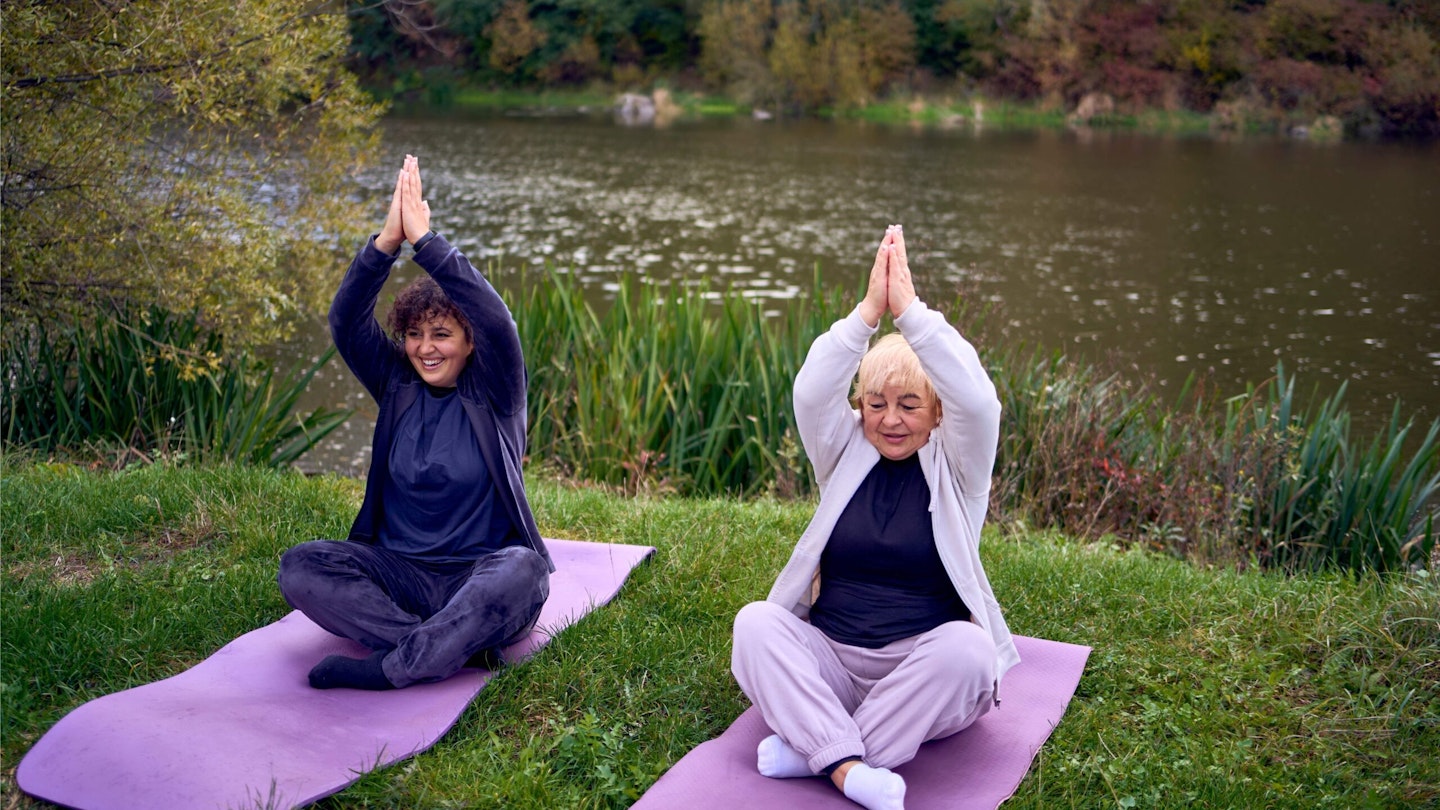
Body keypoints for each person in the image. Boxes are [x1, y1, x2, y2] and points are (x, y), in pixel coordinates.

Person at [730, 225, 1019, 810]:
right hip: (832, 659)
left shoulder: (959, 472)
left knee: (970, 652)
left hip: (920, 675)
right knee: (755, 624)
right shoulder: (842, 453)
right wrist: (867, 313)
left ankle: (822, 753)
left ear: (936, 412)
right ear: (859, 406)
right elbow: (812, 393)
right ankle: (849, 765)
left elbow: (980, 402)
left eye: (910, 405)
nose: (890, 419)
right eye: (876, 403)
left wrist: (909, 313)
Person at [277, 155, 552, 691]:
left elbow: (498, 318)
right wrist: (385, 243)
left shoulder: (496, 390)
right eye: (414, 334)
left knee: (524, 570)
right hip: (399, 578)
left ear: (470, 341)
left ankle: (391, 667)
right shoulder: (396, 382)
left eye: (442, 334)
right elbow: (345, 319)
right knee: (301, 567)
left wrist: (426, 243)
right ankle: (443, 647)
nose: (426, 348)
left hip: (481, 576)